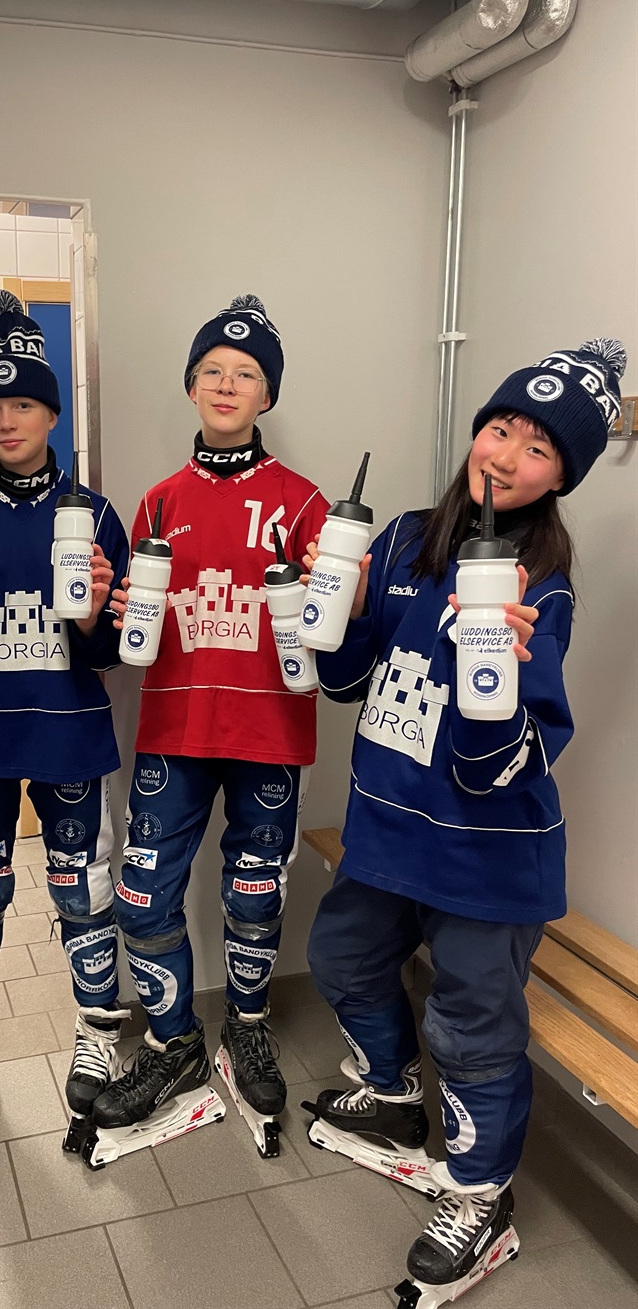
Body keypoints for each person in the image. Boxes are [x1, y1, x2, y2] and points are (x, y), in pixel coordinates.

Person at [303, 339, 627, 1297]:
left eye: (539, 447)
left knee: (471, 1026)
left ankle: (481, 1197)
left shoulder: (543, 590)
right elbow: (343, 680)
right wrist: (339, 605)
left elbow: (503, 765)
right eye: (502, 428)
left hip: (488, 856)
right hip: (389, 831)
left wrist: (505, 676)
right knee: (341, 958)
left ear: (561, 476)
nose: (508, 454)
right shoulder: (406, 535)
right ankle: (396, 1094)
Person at [93, 295, 329, 1154]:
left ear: (268, 395)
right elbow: (131, 631)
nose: (227, 385)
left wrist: (341, 588)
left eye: (247, 373)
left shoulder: (304, 503)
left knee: (255, 891)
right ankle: (174, 1042)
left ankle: (248, 1026)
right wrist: (116, 605)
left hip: (269, 733)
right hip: (175, 730)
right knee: (143, 890)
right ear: (191, 386)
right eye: (212, 371)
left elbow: (335, 624)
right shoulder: (156, 503)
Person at [0, 290, 130, 1152]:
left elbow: (112, 650)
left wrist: (98, 615)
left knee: (82, 886)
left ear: (52, 412)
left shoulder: (93, 512)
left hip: (69, 731)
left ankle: (96, 1032)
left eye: (24, 404)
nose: (8, 421)